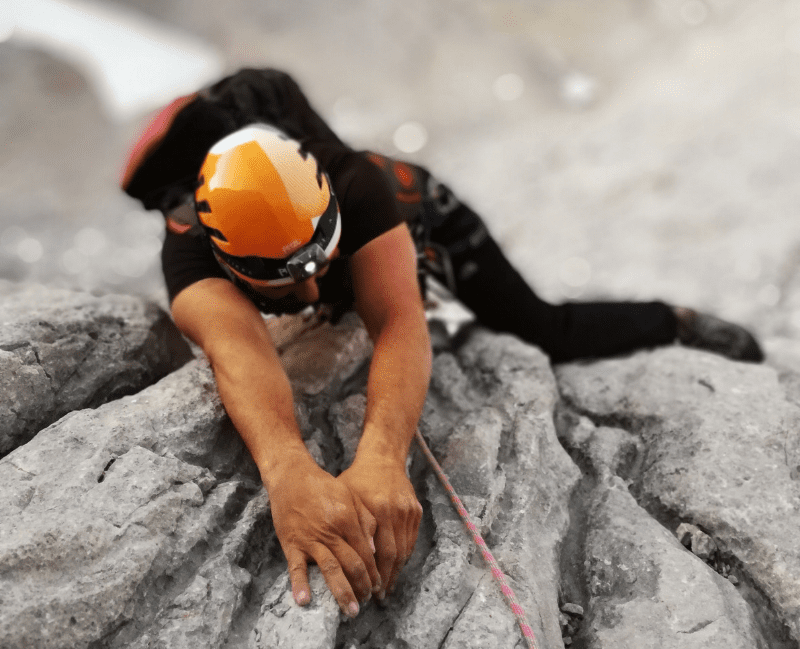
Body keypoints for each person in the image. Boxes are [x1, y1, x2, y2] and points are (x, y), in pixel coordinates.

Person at [120, 67, 763, 618]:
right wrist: (287, 471)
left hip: (414, 210)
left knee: (539, 328)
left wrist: (381, 455)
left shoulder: (359, 185)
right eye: (286, 284)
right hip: (300, 239)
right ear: (230, 266)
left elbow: (399, 324)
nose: (313, 298)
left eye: (321, 267)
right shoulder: (191, 260)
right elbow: (240, 356)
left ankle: (673, 321)